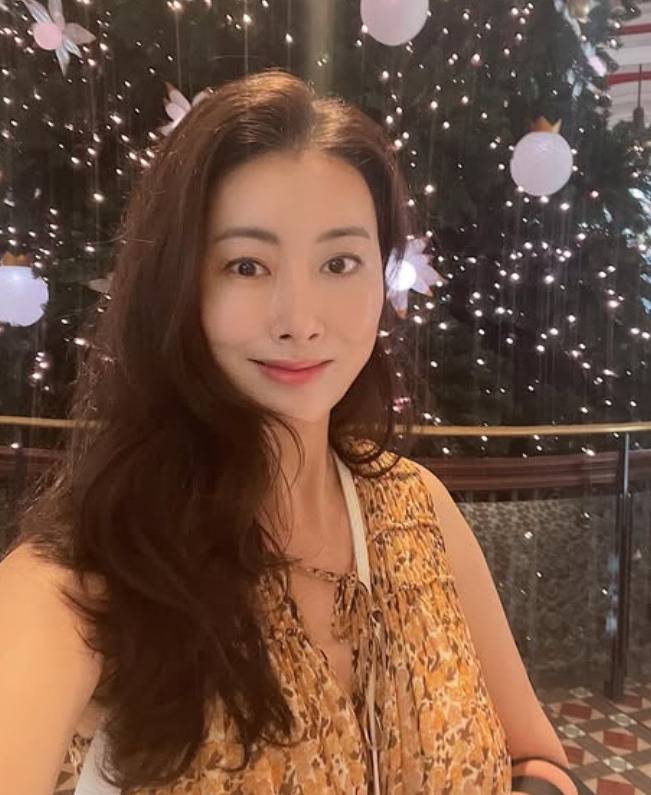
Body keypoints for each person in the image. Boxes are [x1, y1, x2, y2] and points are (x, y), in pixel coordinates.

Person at [0, 69, 586, 795]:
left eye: (339, 262)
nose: (300, 321)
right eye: (246, 265)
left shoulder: (417, 508)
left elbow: (533, 757)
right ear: (178, 285)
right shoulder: (86, 578)